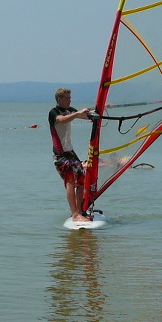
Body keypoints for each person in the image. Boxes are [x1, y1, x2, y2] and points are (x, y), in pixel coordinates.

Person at [48, 87, 92, 222]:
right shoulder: (53, 112)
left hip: (71, 152)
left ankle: (80, 211)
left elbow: (84, 116)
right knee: (70, 182)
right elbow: (62, 120)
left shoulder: (70, 110)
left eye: (70, 98)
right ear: (59, 99)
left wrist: (99, 110)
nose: (69, 100)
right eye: (67, 98)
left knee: (81, 181)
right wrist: (77, 114)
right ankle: (74, 214)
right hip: (60, 155)